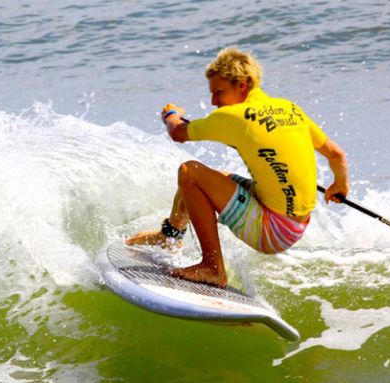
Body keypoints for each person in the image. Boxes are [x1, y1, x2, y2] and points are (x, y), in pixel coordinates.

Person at [127, 47, 349, 288]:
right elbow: (336, 154)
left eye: (219, 92)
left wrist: (171, 113)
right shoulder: (290, 109)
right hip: (296, 225)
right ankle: (169, 237)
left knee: (189, 172)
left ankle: (212, 268)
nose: (214, 102)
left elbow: (178, 133)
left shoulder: (236, 116)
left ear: (242, 85)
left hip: (272, 231)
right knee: (207, 177)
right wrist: (340, 185)